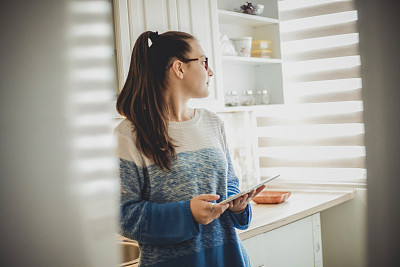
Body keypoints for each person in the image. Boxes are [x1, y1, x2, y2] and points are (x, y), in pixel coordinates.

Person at [114, 30, 265, 267]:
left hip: (230, 260)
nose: (211, 71)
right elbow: (124, 216)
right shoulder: (129, 134)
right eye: (205, 62)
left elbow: (230, 183)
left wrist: (237, 204)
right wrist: (188, 213)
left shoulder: (213, 123)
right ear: (179, 68)